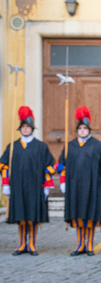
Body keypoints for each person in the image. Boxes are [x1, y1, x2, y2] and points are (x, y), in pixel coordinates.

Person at [0, 106, 55, 256]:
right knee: (21, 217)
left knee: (32, 217)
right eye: (23, 127)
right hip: (17, 187)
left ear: (32, 128)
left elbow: (50, 166)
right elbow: (3, 165)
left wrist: (46, 186)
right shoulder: (12, 147)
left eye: (28, 127)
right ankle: (21, 243)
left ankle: (32, 243)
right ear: (20, 129)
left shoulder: (41, 147)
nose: (25, 129)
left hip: (35, 187)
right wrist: (5, 184)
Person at [56, 106, 101, 256]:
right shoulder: (69, 146)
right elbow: (61, 166)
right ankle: (80, 244)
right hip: (75, 187)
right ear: (77, 130)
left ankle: (90, 244)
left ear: (89, 129)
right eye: (80, 128)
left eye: (85, 128)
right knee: (79, 216)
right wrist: (62, 182)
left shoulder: (98, 146)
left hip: (93, 187)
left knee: (90, 216)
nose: (82, 131)